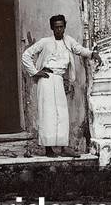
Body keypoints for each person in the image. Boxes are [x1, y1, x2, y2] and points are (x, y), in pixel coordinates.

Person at [21, 14, 102, 156]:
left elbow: (79, 49)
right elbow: (26, 55)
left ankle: (64, 148)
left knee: (62, 114)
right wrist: (35, 72)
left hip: (58, 79)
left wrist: (92, 54)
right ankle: (48, 149)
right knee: (48, 114)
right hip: (46, 80)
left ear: (64, 27)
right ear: (52, 28)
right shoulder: (45, 42)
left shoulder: (68, 41)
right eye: (56, 27)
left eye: (61, 27)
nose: (59, 30)